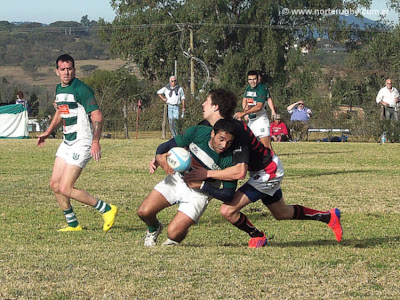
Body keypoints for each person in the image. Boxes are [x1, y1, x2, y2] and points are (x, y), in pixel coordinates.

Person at [184, 89, 342, 248]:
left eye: (206, 101)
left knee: (228, 210)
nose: (202, 104)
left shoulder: (236, 131)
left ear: (216, 107)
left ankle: (257, 236)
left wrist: (206, 174)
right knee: (282, 213)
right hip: (261, 170)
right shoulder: (216, 127)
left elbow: (239, 172)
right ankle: (329, 217)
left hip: (268, 171)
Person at [36, 54, 118, 232]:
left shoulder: (81, 89)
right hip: (67, 142)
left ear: (74, 69)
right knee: (55, 185)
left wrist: (95, 141)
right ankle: (73, 224)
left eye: (70, 69)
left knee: (66, 187)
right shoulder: (59, 89)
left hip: (82, 142)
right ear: (56, 71)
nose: (66, 72)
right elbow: (60, 111)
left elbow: (97, 115)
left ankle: (107, 209)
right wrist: (48, 132)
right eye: (63, 69)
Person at [137, 117, 238, 247]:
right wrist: (159, 157)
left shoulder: (231, 158)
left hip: (200, 193)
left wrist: (202, 185)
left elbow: (228, 195)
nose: (224, 145)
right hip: (178, 179)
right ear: (213, 133)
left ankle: (175, 238)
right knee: (144, 212)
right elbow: (165, 146)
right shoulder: (198, 132)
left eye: (229, 142)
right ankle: (154, 228)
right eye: (221, 139)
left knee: (173, 233)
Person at [234, 70, 276, 149]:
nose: (252, 81)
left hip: (261, 121)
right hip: (251, 121)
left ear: (257, 79)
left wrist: (243, 113)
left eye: (254, 79)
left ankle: (274, 161)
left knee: (267, 148)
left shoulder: (262, 89)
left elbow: (259, 106)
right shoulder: (248, 89)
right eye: (250, 79)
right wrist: (243, 114)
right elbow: (246, 102)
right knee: (247, 146)